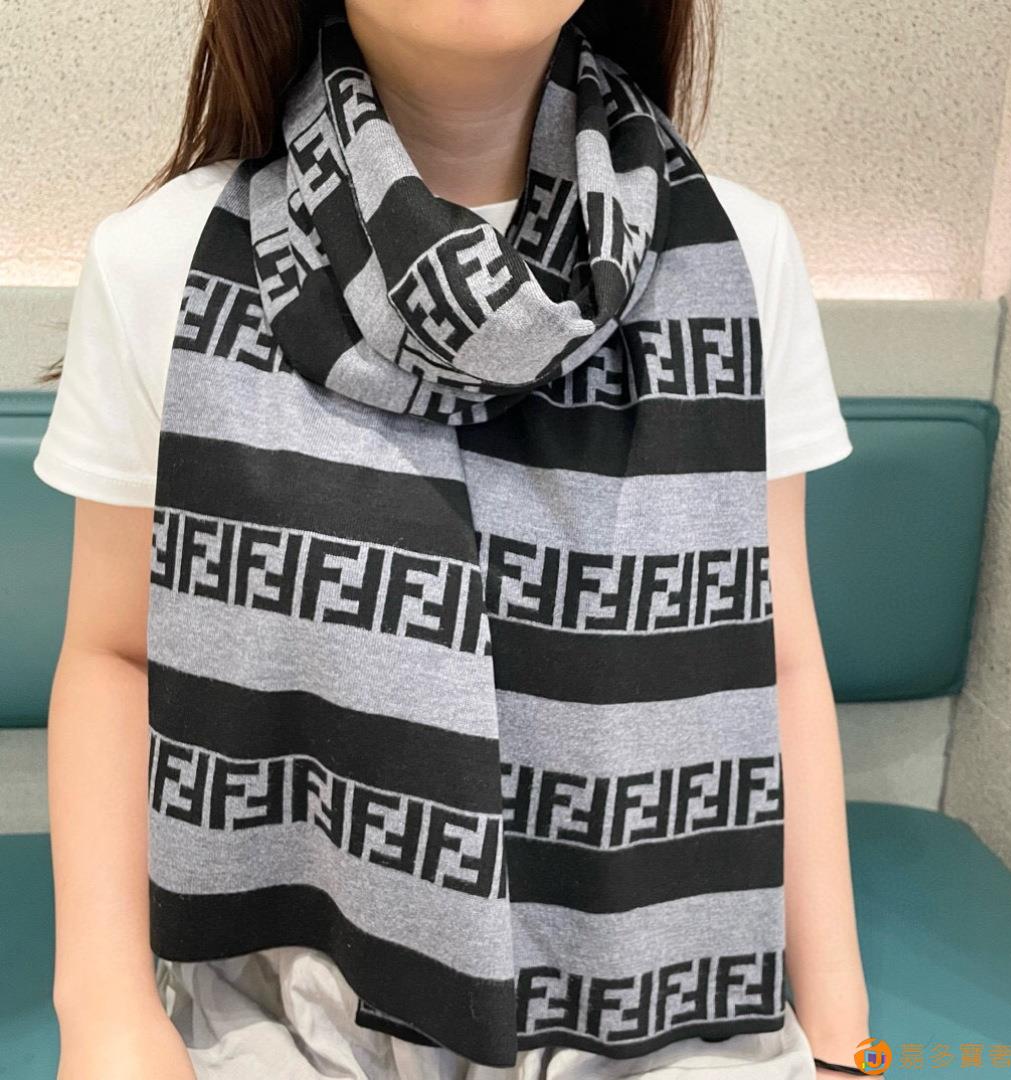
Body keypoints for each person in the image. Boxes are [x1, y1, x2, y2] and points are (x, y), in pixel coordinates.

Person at [34, 1, 871, 1078]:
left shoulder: (737, 258)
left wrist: (848, 1039)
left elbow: (771, 659)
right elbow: (115, 655)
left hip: (672, 1017)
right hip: (294, 1009)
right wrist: (103, 1010)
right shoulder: (162, 261)